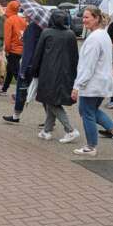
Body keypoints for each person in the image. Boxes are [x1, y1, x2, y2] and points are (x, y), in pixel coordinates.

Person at [71, 7, 113, 156]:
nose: (84, 20)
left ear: (96, 18)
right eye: (83, 17)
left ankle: (91, 146)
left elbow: (88, 65)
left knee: (87, 112)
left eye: (87, 17)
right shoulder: (103, 35)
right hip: (101, 81)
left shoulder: (94, 38)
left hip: (93, 82)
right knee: (89, 110)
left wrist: (77, 86)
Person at [31, 9, 80, 142]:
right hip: (65, 73)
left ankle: (70, 130)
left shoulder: (46, 33)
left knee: (51, 101)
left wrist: (33, 71)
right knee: (52, 99)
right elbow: (75, 56)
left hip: (48, 72)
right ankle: (46, 130)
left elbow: (38, 53)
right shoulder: (70, 34)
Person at [1, 0, 26, 94]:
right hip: (20, 48)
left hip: (12, 49)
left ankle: (22, 91)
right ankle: (4, 88)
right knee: (10, 69)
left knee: (16, 72)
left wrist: (7, 49)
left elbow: (7, 37)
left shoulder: (9, 20)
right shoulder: (22, 20)